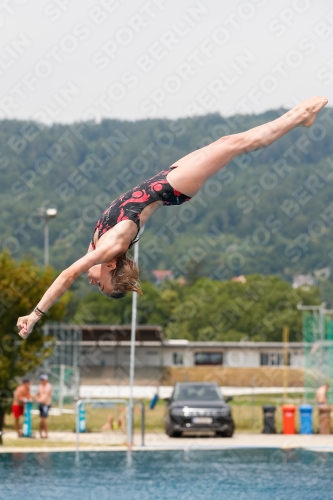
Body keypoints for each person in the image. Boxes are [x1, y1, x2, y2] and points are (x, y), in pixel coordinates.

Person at [17, 96, 328, 339]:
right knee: (235, 144)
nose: (93, 282)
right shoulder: (110, 248)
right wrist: (36, 315)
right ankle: (300, 117)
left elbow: (76, 271)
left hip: (165, 178)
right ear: (111, 266)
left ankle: (299, 116)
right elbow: (68, 276)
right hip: (172, 187)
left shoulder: (99, 247)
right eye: (101, 285)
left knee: (228, 143)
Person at [34, 374, 52, 438]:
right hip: (41, 404)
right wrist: (35, 397)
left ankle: (46, 434)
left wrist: (40, 400)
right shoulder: (40, 386)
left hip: (46, 404)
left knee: (43, 419)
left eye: (43, 380)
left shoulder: (48, 386)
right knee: (42, 419)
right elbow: (38, 394)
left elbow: (47, 394)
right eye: (41, 380)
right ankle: (41, 433)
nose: (42, 381)